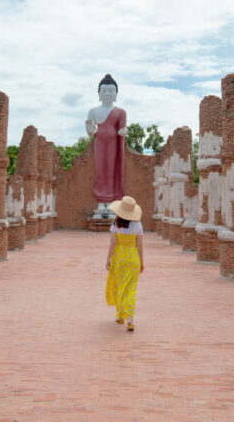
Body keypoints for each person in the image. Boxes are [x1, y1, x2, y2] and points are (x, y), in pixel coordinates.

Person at [86, 74, 126, 207]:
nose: (107, 93)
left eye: (111, 91)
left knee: (110, 169)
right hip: (99, 141)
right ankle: (100, 199)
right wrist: (89, 129)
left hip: (113, 142)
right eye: (103, 91)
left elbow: (122, 128)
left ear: (116, 94)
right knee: (99, 169)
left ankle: (110, 200)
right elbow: (90, 133)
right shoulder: (93, 112)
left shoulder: (120, 112)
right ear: (99, 93)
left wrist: (123, 131)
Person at [105, 195, 144, 332]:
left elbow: (113, 243)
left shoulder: (116, 225)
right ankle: (130, 319)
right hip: (133, 258)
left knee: (120, 286)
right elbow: (139, 246)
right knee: (131, 289)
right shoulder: (138, 225)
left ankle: (120, 315)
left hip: (119, 258)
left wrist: (108, 258)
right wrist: (142, 262)